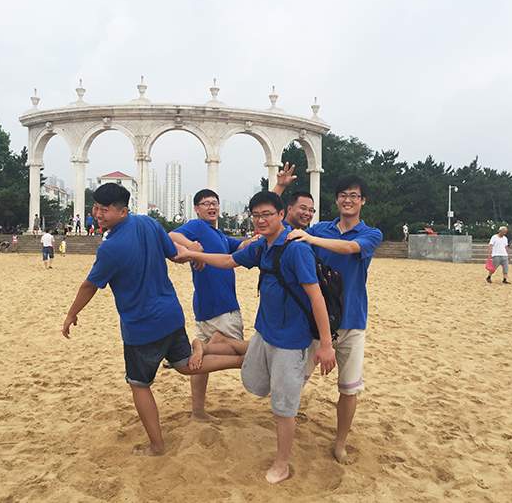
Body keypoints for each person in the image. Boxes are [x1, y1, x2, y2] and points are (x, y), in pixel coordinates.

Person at [62, 183, 244, 456]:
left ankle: (157, 446)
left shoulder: (111, 247)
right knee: (185, 365)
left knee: (139, 384)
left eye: (105, 210)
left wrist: (71, 313)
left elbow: (90, 285)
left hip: (141, 326)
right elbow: (175, 254)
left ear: (123, 211)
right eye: (96, 208)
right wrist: (194, 257)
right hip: (171, 315)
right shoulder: (148, 223)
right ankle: (242, 359)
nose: (97, 214)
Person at [177, 191, 336, 484]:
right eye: (256, 215)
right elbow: (228, 260)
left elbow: (316, 298)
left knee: (283, 407)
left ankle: (282, 463)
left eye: (267, 214)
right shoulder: (263, 246)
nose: (261, 220)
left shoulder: (295, 249)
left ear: (281, 215)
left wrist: (326, 345)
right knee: (254, 381)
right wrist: (194, 255)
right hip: (264, 332)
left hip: (291, 341)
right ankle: (224, 345)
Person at [278, 175, 383, 464]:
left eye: (354, 195)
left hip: (352, 321)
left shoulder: (370, 233)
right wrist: (281, 188)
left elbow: (350, 249)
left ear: (363, 201)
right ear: (336, 199)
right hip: (316, 321)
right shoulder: (321, 228)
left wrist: (310, 238)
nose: (348, 200)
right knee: (295, 379)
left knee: (349, 388)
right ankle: (284, 429)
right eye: (343, 195)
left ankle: (340, 443)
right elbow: (280, 226)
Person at [168, 189, 255, 421]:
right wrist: (191, 247)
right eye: (206, 203)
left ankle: (198, 410)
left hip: (204, 306)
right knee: (243, 354)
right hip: (222, 306)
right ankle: (209, 346)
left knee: (200, 364)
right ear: (196, 209)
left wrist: (258, 234)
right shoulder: (197, 227)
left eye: (214, 203)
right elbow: (171, 235)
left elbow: (243, 246)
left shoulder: (221, 236)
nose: (212, 207)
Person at [272, 163, 315, 230]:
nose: (307, 213)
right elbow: (268, 209)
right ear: (289, 209)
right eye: (303, 208)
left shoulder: (311, 232)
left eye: (311, 210)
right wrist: (280, 186)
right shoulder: (277, 230)